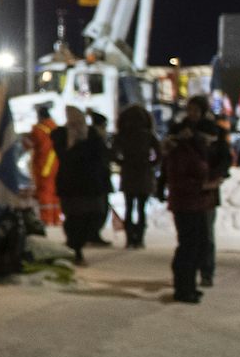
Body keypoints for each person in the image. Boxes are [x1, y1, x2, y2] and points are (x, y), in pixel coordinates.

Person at [180, 96, 232, 286]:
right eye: (189, 109)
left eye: (195, 109)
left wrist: (216, 176)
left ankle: (207, 271)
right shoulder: (180, 129)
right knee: (188, 235)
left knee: (206, 233)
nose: (191, 113)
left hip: (207, 189)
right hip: (187, 189)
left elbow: (225, 159)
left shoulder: (214, 131)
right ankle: (189, 272)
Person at [52, 107, 111, 264]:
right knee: (74, 218)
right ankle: (74, 249)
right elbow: (64, 156)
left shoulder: (92, 135)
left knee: (92, 216)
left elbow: (101, 156)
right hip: (71, 185)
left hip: (90, 184)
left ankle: (78, 245)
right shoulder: (61, 135)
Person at [163, 128, 212, 304]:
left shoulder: (195, 151)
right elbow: (178, 182)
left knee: (197, 245)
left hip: (195, 203)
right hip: (186, 205)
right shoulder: (182, 153)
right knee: (188, 247)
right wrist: (202, 186)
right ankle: (183, 288)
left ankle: (188, 286)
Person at [113, 102, 158, 250]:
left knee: (129, 206)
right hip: (144, 172)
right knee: (141, 208)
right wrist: (150, 164)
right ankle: (139, 238)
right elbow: (158, 154)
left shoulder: (123, 135)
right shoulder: (148, 135)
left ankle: (130, 238)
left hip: (129, 172)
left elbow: (113, 153)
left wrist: (123, 162)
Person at [29, 103, 62, 226]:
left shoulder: (38, 129)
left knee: (45, 193)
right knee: (55, 193)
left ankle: (46, 219)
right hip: (57, 165)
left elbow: (28, 145)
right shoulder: (56, 127)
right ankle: (56, 218)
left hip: (43, 166)